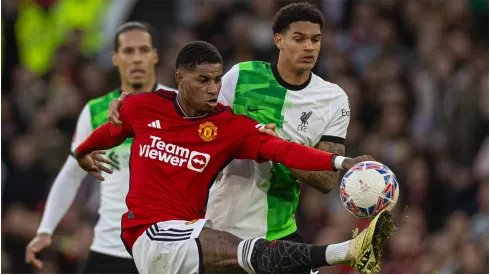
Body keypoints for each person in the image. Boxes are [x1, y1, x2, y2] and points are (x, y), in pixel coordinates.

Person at [73, 41, 393, 274]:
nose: (214, 89)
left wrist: (340, 162)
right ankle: (350, 251)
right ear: (180, 79)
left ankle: (349, 253)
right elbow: (111, 131)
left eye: (217, 79)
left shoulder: (228, 127)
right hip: (150, 234)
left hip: (190, 231)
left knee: (246, 253)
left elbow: (283, 150)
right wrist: (83, 151)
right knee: (238, 249)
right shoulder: (142, 107)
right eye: (203, 80)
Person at [108, 3, 352, 252]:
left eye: (315, 39)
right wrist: (137, 104)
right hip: (218, 224)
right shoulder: (241, 77)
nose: (309, 47)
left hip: (279, 230)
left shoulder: (333, 99)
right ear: (279, 40)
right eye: (299, 38)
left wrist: (278, 148)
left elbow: (327, 180)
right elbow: (190, 113)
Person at [25, 22, 175, 273]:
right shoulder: (95, 111)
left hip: (164, 251)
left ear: (155, 55)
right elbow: (71, 173)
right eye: (128, 51)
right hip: (109, 248)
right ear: (116, 58)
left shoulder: (179, 108)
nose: (136, 58)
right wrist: (45, 229)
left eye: (143, 50)